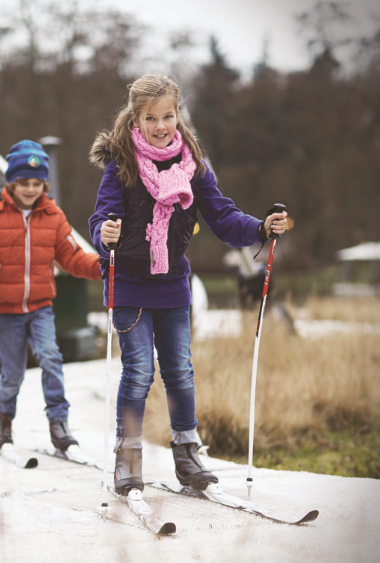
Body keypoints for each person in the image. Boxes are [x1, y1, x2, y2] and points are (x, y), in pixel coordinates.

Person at [87, 74, 288, 494]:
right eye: (151, 118)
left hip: (173, 284)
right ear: (135, 120)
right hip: (128, 284)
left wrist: (260, 228)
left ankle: (187, 451)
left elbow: (223, 216)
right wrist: (103, 233)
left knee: (179, 371)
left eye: (168, 116)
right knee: (139, 371)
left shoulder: (192, 167)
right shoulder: (121, 167)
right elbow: (101, 218)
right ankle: (128, 456)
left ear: (178, 115)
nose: (161, 126)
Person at [0, 140, 103, 453]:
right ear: (11, 182)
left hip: (40, 306)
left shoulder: (52, 215)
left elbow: (72, 257)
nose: (31, 190)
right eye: (24, 183)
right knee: (13, 373)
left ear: (44, 184)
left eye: (37, 183)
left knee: (50, 357)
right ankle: (2, 420)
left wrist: (104, 267)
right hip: (5, 310)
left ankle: (59, 424)